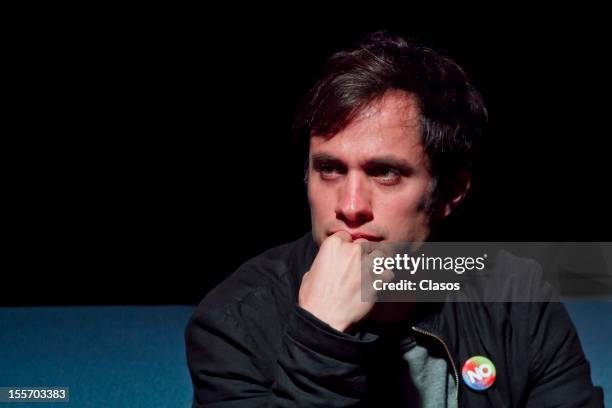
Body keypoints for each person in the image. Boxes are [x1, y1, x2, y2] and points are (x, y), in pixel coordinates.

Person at [185, 31, 603, 406]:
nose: (349, 206)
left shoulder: (514, 299)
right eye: (329, 169)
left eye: (385, 173)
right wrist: (320, 340)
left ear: (450, 192)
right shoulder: (234, 324)